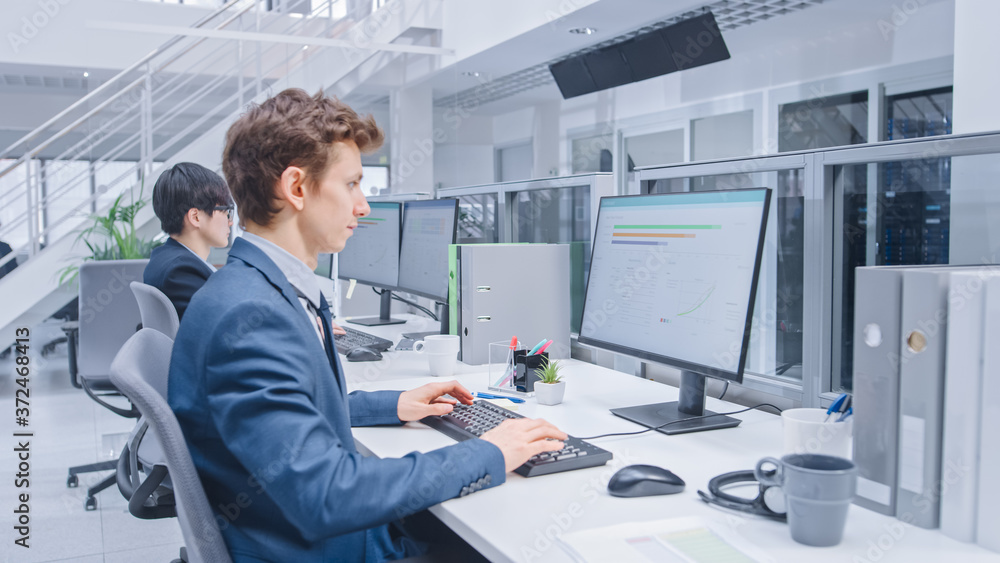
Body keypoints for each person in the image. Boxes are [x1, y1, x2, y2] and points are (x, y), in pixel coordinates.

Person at [168, 88, 567, 562]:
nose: (363, 206)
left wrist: (394, 402)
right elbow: (327, 495)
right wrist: (490, 452)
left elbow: (295, 409)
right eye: (352, 184)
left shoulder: (257, 288)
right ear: (296, 188)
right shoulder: (249, 317)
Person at [144, 162, 234, 321]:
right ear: (196, 217)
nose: (230, 221)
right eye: (225, 211)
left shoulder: (164, 257)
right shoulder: (180, 271)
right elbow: (224, 326)